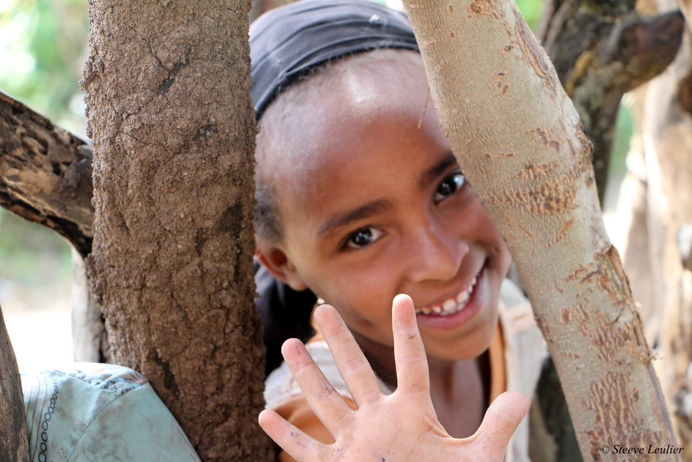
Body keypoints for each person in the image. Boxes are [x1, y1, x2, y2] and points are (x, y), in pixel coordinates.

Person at [249, 1, 546, 460]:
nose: (443, 260)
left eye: (451, 184)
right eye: (363, 236)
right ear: (283, 262)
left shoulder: (514, 317)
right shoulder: (320, 425)